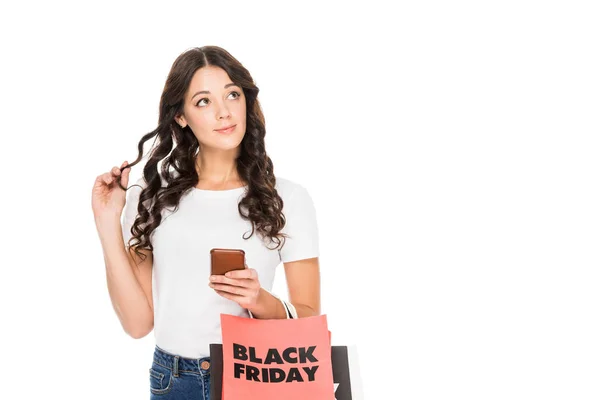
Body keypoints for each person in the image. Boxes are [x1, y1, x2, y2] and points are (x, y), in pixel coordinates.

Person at [91, 46, 321, 400]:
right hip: (173, 381)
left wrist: (260, 300)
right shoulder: (152, 195)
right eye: (203, 101)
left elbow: (308, 323)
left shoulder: (289, 198)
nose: (224, 112)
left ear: (247, 100)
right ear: (180, 116)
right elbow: (138, 324)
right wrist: (107, 222)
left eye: (232, 94)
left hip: (254, 376)